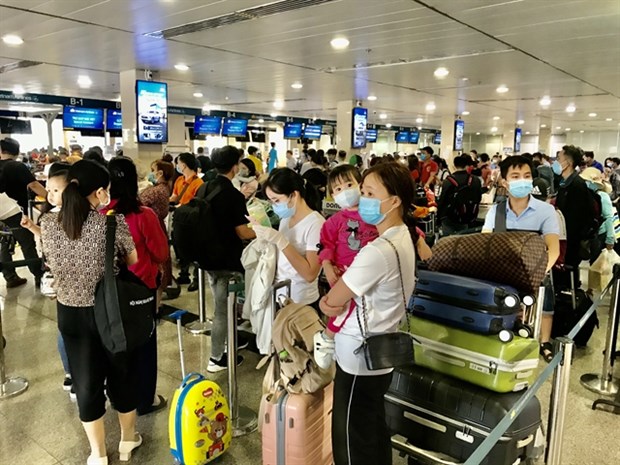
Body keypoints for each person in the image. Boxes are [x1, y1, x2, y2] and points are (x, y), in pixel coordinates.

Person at [40, 160, 141, 465]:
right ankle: (127, 441)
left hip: (70, 314)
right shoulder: (111, 223)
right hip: (108, 311)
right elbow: (134, 260)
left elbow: (52, 263)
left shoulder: (47, 225)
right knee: (121, 375)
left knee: (86, 382)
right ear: (99, 192)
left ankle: (98, 454)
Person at [319, 162, 416, 465]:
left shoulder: (377, 250)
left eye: (371, 193)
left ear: (394, 201)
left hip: (358, 354)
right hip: (381, 349)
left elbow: (334, 299)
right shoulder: (403, 237)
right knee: (373, 426)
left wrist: (325, 305)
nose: (363, 199)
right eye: (363, 191)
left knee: (350, 439)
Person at [103, 157, 169, 416]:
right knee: (143, 344)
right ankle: (144, 400)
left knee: (114, 344)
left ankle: (118, 397)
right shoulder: (144, 215)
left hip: (109, 290)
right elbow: (161, 252)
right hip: (141, 289)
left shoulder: (99, 213)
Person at [482, 156, 560, 362]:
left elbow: (553, 247)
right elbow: (485, 244)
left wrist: (539, 271)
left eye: (526, 176)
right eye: (515, 176)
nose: (522, 180)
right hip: (505, 271)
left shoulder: (546, 210)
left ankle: (544, 341)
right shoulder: (496, 212)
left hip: (538, 270)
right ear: (505, 182)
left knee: (545, 306)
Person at [314, 165, 379, 369]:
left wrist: (419, 238)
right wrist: (326, 265)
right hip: (342, 272)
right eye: (338, 189)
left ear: (361, 185)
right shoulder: (333, 222)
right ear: (332, 194)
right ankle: (327, 338)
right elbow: (326, 244)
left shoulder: (375, 214)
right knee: (341, 307)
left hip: (371, 274)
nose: (345, 192)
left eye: (349, 184)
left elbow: (398, 226)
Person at [200, 146, 256, 372]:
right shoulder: (232, 195)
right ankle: (215, 358)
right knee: (222, 309)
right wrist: (264, 231)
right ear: (235, 166)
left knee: (224, 305)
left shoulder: (204, 188)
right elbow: (243, 232)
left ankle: (232, 340)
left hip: (206, 256)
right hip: (226, 260)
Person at [252, 168, 324, 307]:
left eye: (276, 200)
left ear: (294, 195)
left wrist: (281, 241)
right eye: (271, 201)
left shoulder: (316, 224)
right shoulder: (286, 218)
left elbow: (310, 274)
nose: (274, 206)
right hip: (279, 294)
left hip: (301, 301)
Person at [0, 137, 46, 288]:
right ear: (17, 151)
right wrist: (50, 197)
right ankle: (39, 276)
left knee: (4, 243)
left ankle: (10, 277)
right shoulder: (16, 166)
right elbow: (33, 185)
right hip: (14, 210)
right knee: (26, 243)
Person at [554, 145, 598, 287]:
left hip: (570, 241)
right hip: (564, 237)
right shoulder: (565, 183)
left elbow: (576, 218)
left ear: (567, 163)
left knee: (566, 274)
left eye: (559, 158)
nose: (556, 161)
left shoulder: (577, 185)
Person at [140, 159, 175, 299]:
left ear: (160, 173)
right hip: (158, 227)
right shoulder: (164, 188)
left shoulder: (156, 190)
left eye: (153, 170)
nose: (151, 174)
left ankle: (155, 304)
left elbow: (138, 202)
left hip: (152, 228)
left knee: (157, 264)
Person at [170, 153, 203, 288]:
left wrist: (181, 206)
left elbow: (197, 203)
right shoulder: (179, 180)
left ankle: (197, 278)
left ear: (183, 165)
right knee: (179, 244)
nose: (177, 166)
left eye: (178, 163)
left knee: (195, 248)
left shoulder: (198, 183)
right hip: (179, 218)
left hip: (192, 220)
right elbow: (174, 196)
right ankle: (184, 274)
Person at [438, 154, 482, 236]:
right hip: (468, 216)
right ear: (467, 166)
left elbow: (443, 200)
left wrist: (439, 217)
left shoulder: (448, 181)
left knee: (448, 241)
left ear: (454, 166)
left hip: (450, 217)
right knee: (463, 239)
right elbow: (479, 198)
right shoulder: (476, 180)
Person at [580, 168, 615, 269]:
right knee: (594, 263)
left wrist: (610, 239)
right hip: (593, 233)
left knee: (598, 263)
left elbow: (609, 218)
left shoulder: (602, 196)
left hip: (601, 235)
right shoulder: (588, 196)